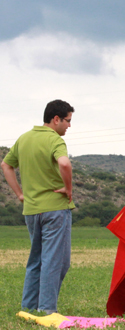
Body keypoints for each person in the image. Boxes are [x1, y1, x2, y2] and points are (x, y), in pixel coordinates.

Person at [1, 100, 75, 314]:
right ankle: (46, 309)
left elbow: (6, 165)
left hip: (32, 210)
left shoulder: (24, 138)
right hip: (55, 209)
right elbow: (64, 163)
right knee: (56, 262)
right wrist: (68, 188)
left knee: (36, 260)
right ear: (56, 119)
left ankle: (28, 307)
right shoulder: (55, 140)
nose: (69, 125)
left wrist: (19, 194)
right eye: (68, 120)